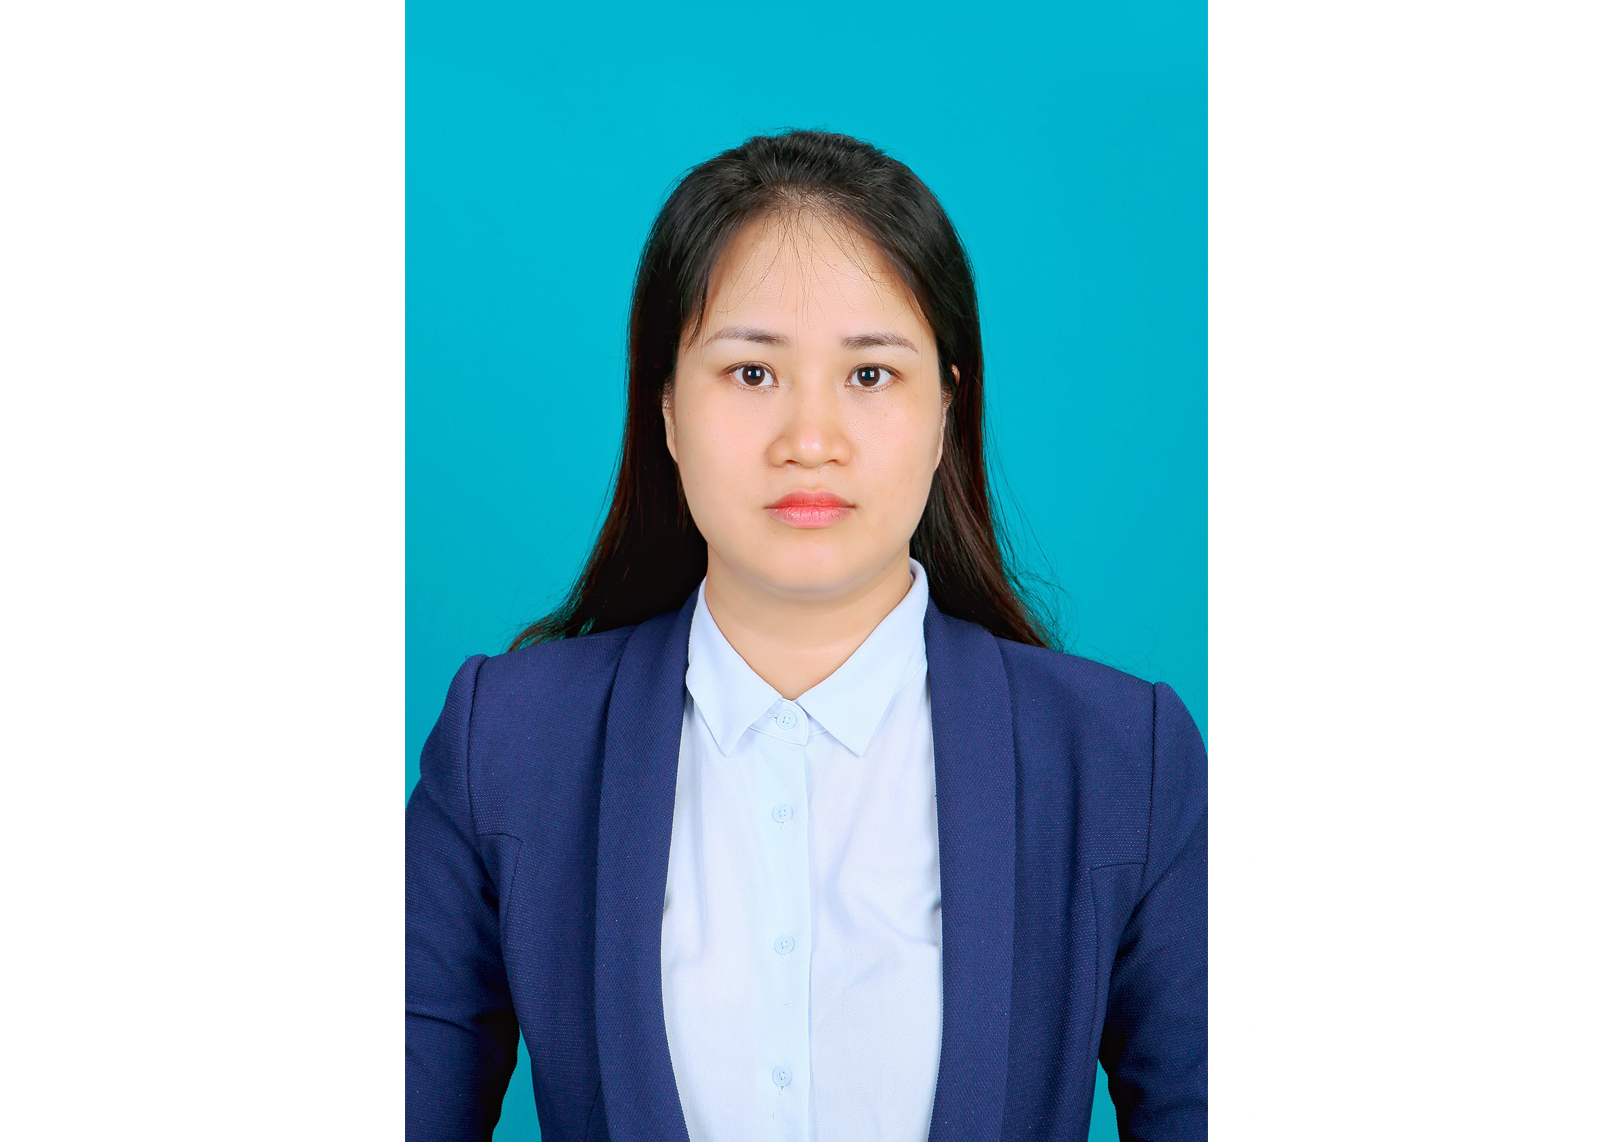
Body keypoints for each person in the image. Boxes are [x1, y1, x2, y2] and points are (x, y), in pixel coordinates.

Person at [407, 128, 1206, 1142]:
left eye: (870, 375)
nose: (810, 441)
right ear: (664, 406)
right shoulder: (505, 746)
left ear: (946, 408)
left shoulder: (1121, 760)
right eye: (751, 373)